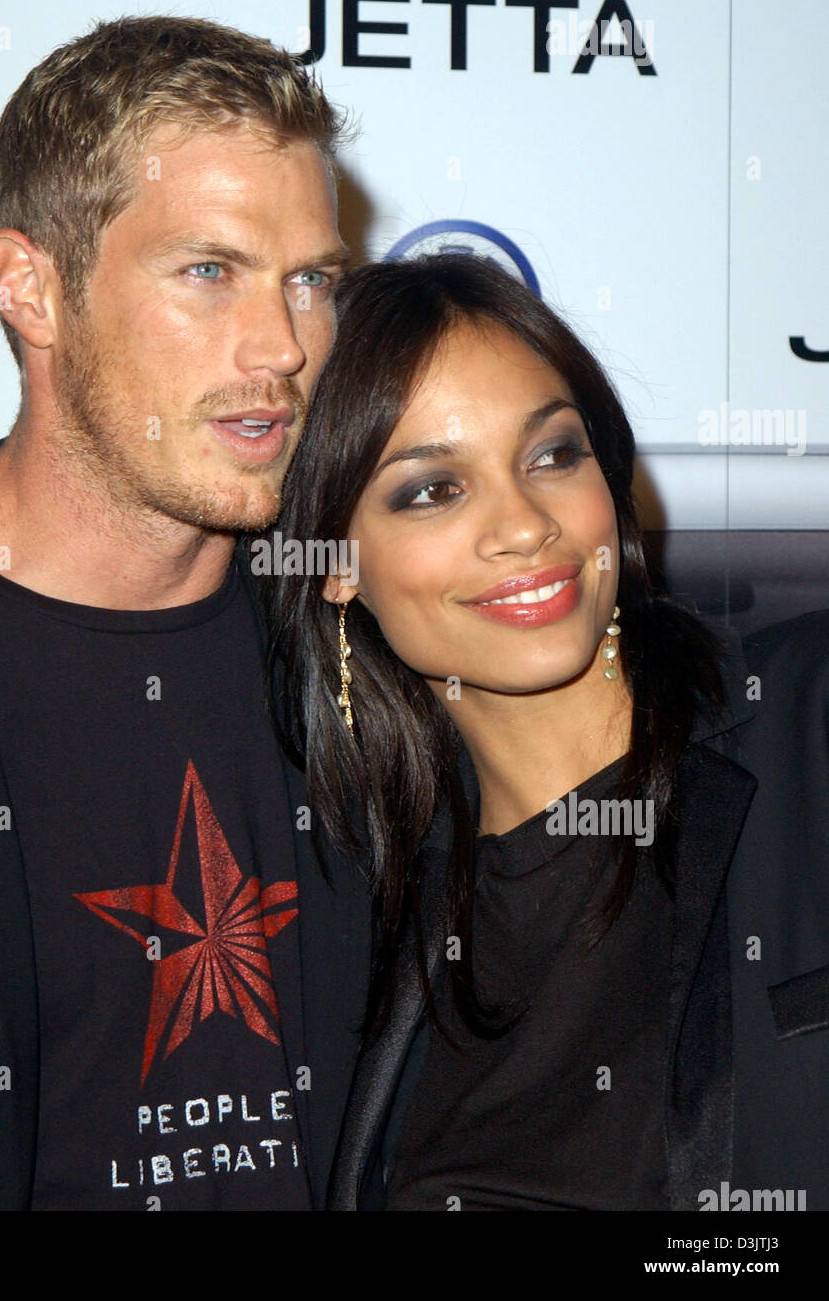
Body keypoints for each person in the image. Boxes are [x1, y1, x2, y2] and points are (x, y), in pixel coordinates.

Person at [0, 16, 371, 1212]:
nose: (284, 347)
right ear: (30, 287)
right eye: (209, 271)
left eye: (308, 279)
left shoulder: (370, 638)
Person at [266, 252, 829, 1211]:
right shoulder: (348, 913)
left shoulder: (805, 724)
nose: (523, 524)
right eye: (431, 489)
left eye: (552, 454)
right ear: (333, 563)